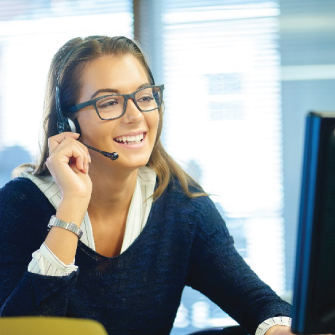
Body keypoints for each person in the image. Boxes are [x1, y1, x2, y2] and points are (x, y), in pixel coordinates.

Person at [0, 35, 292, 335]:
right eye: (109, 102)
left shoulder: (180, 204)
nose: (136, 116)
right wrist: (72, 205)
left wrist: (279, 329)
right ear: (68, 123)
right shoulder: (18, 206)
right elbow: (22, 330)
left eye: (145, 97)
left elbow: (258, 302)